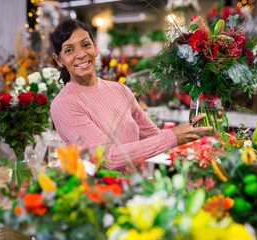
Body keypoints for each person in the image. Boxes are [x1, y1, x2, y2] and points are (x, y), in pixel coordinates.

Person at [50, 19, 218, 173]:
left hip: (135, 191)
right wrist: (174, 136)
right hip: (98, 197)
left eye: (85, 45)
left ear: (95, 46)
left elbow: (155, 137)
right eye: (69, 50)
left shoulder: (120, 90)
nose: (80, 54)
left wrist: (198, 125)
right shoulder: (64, 104)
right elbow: (109, 157)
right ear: (59, 60)